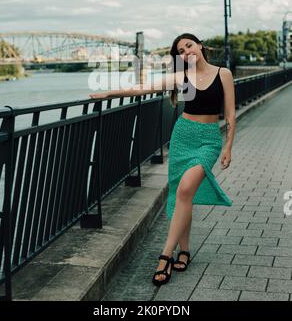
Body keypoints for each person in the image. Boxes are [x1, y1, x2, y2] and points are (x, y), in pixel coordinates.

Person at [89, 32, 236, 287]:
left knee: (185, 189)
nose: (186, 51)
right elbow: (143, 87)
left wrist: (228, 147)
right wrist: (109, 94)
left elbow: (231, 114)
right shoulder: (182, 78)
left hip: (209, 140)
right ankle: (185, 250)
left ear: (200, 46)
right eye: (180, 51)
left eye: (189, 45)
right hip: (183, 137)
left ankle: (165, 255)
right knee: (183, 195)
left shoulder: (223, 73)